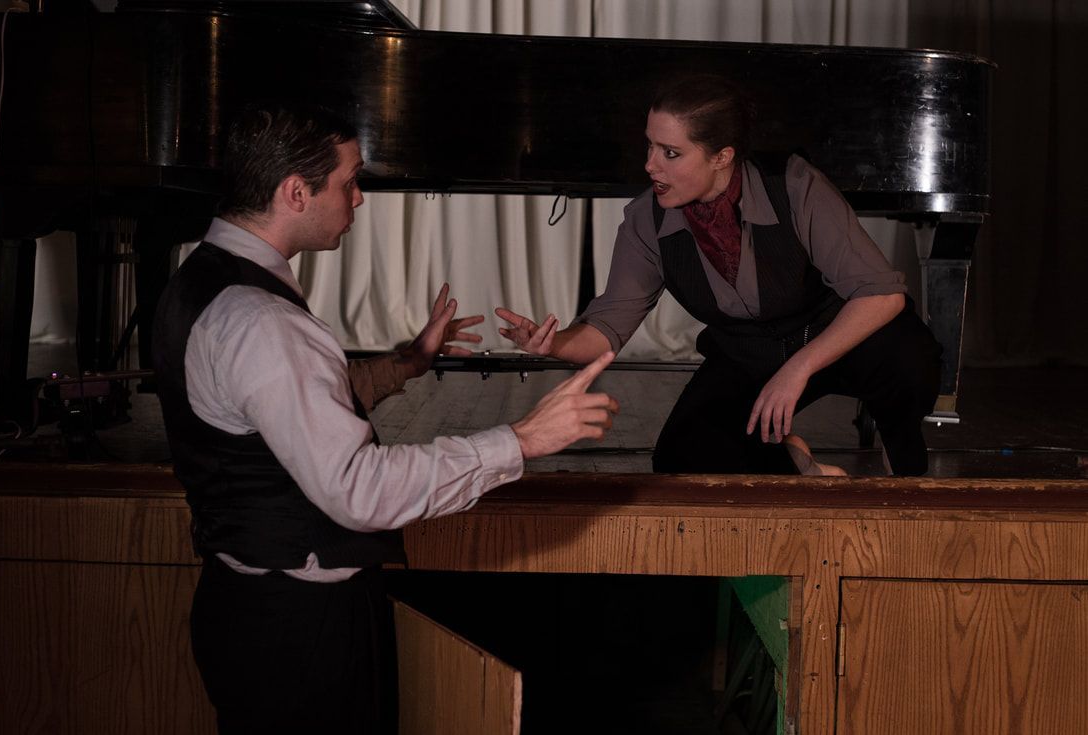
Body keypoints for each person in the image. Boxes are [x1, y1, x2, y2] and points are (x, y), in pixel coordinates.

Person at [151, 103, 618, 735]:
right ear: (295, 192)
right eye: (349, 181)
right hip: (298, 628)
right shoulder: (263, 322)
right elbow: (358, 492)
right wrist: (523, 439)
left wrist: (409, 362)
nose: (359, 198)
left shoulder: (203, 281)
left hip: (249, 609)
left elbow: (279, 408)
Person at [497, 75, 941, 476]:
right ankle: (794, 463)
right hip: (748, 355)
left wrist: (798, 368)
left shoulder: (793, 185)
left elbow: (881, 295)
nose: (651, 165)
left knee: (909, 358)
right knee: (681, 457)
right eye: (650, 146)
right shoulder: (645, 220)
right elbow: (606, 331)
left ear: (722, 156)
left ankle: (899, 447)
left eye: (671, 153)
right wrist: (552, 343)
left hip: (834, 338)